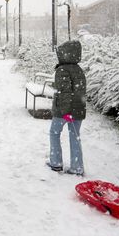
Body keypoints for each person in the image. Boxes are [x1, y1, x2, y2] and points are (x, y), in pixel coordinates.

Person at [47, 40, 87, 175]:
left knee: (54, 132)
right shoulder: (78, 69)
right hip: (79, 109)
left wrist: (66, 112)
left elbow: (64, 93)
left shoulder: (62, 70)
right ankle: (77, 167)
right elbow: (79, 90)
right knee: (75, 136)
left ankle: (56, 162)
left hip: (64, 111)